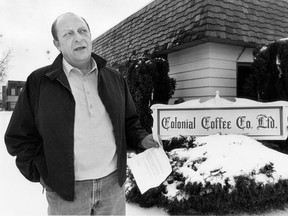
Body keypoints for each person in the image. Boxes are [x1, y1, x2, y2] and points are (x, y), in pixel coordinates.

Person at [5, 12, 158, 215]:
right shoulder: (39, 82)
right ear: (57, 44)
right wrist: (44, 174)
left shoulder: (114, 78)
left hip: (113, 185)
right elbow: (18, 137)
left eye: (82, 31)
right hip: (66, 192)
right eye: (68, 34)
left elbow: (129, 122)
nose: (78, 37)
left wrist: (141, 139)